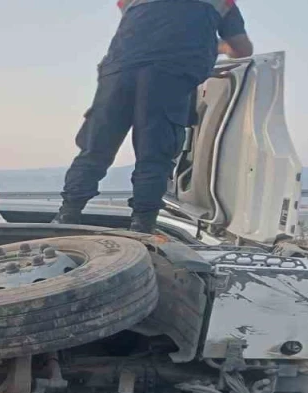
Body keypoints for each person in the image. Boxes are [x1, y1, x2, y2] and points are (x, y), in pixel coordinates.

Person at [54, 0, 254, 233]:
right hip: (168, 74)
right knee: (154, 155)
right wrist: (216, 46)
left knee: (95, 149)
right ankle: (142, 226)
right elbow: (242, 49)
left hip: (119, 72)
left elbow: (136, 21)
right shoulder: (221, 3)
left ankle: (66, 215)